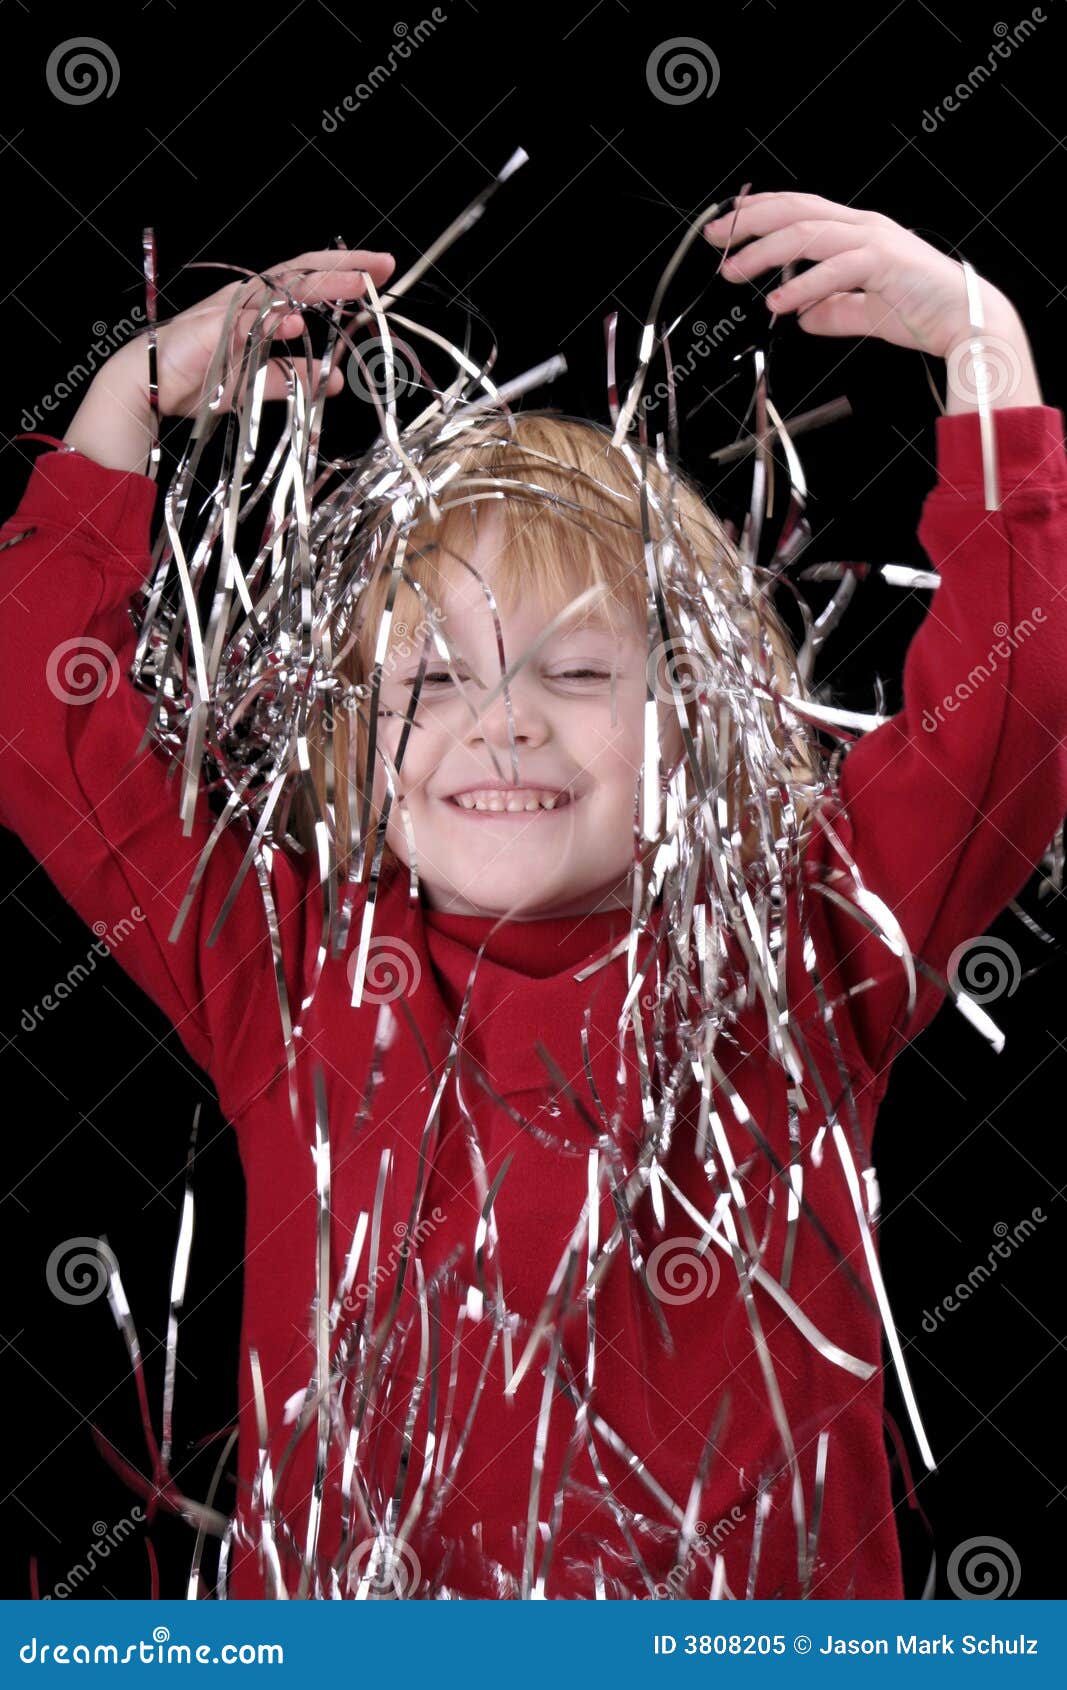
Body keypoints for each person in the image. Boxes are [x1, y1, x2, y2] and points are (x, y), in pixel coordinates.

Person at [2, 192, 1065, 1599]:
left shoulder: (810, 938)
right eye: (434, 680)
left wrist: (979, 345)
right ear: (350, 735)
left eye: (575, 673)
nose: (502, 725)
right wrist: (120, 415)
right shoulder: (285, 966)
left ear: (690, 719)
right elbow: (43, 727)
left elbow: (1020, 695)